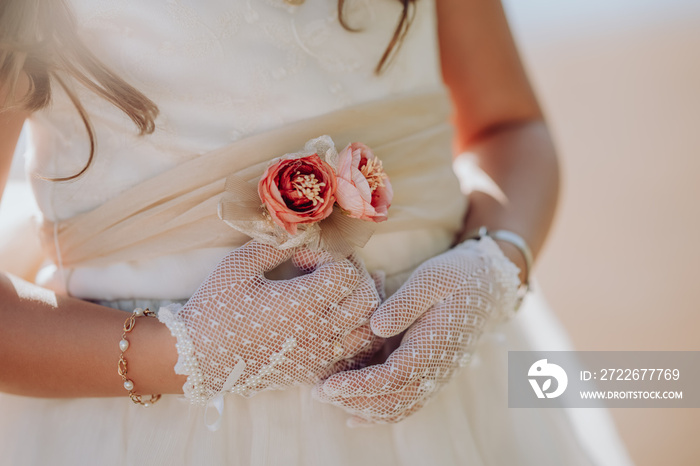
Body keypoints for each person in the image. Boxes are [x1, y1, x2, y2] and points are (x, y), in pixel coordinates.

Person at [0, 0, 632, 464]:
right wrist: (191, 349)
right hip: (156, 428)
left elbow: (509, 124)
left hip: (447, 380)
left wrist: (498, 264)